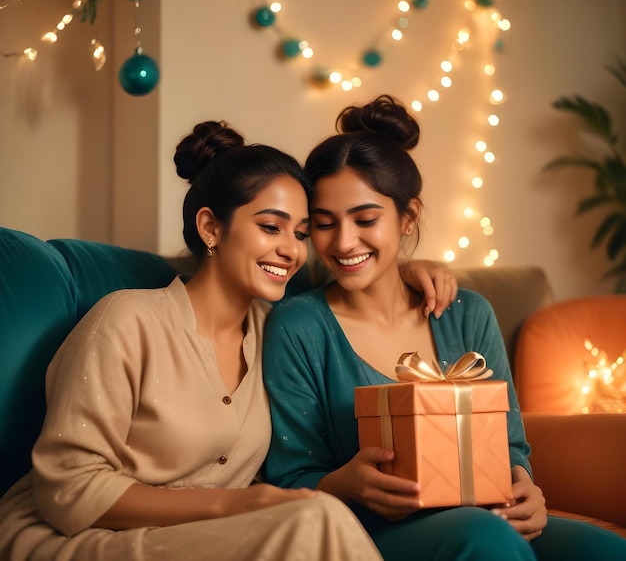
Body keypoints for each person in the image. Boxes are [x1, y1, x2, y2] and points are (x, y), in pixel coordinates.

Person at [0, 120, 453, 561]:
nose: (292, 250)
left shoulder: (277, 331)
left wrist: (411, 271)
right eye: (271, 227)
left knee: (316, 516)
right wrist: (234, 505)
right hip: (77, 538)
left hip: (209, 541)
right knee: (315, 517)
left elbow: (351, 268)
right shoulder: (126, 320)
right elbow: (69, 490)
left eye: (300, 233)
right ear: (211, 228)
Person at [262, 95, 626, 560]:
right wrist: (343, 483)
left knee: (605, 550)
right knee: (483, 537)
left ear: (408, 216)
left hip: (487, 517)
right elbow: (289, 476)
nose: (344, 242)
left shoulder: (468, 313)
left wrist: (527, 490)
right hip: (362, 532)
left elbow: (511, 445)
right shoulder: (298, 326)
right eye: (324, 224)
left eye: (366, 219)